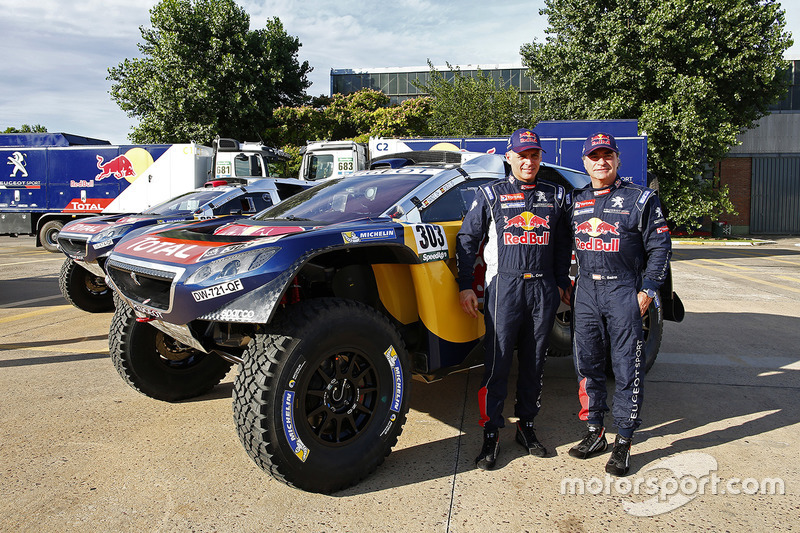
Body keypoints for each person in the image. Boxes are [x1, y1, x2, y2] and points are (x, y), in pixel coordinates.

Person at [456, 128, 571, 470]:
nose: (528, 161)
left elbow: (564, 242)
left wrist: (562, 278)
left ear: (540, 158)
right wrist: (465, 285)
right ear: (509, 157)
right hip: (504, 287)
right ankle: (490, 432)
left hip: (542, 288)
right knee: (498, 362)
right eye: (522, 155)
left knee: (536, 361)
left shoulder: (556, 195)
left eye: (534, 154)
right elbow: (467, 238)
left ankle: (527, 426)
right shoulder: (490, 193)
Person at [567, 132, 672, 476]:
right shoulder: (576, 199)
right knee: (588, 365)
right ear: (584, 162)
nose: (601, 162)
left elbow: (660, 248)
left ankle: (624, 440)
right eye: (594, 156)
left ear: (617, 159)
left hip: (624, 290)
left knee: (627, 367)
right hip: (586, 292)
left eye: (607, 155)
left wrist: (649, 289)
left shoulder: (641, 199)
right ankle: (595, 431)